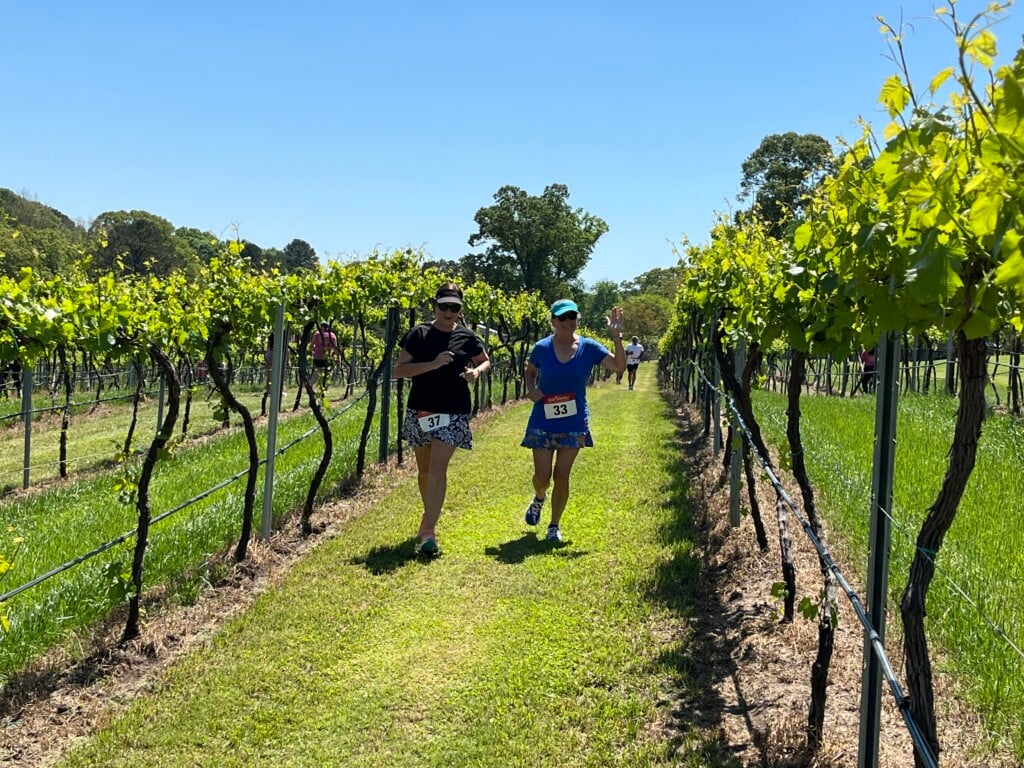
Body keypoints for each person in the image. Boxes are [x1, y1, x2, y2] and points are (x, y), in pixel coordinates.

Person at [394, 283, 491, 556]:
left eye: (454, 307)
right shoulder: (419, 334)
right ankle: (428, 518)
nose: (449, 312)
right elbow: (399, 370)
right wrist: (433, 364)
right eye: (444, 306)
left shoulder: (467, 336)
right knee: (424, 471)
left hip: (454, 411)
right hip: (422, 411)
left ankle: (428, 533)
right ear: (435, 306)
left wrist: (477, 372)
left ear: (461, 310)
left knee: (437, 469)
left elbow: (485, 360)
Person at [521, 299, 626, 543]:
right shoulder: (542, 348)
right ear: (553, 321)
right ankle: (539, 497)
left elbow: (619, 366)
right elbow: (530, 372)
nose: (567, 322)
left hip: (574, 421)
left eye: (572, 317)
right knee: (542, 477)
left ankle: (554, 526)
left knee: (562, 475)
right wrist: (530, 388)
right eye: (562, 318)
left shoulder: (589, 348)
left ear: (578, 319)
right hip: (543, 420)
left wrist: (617, 337)